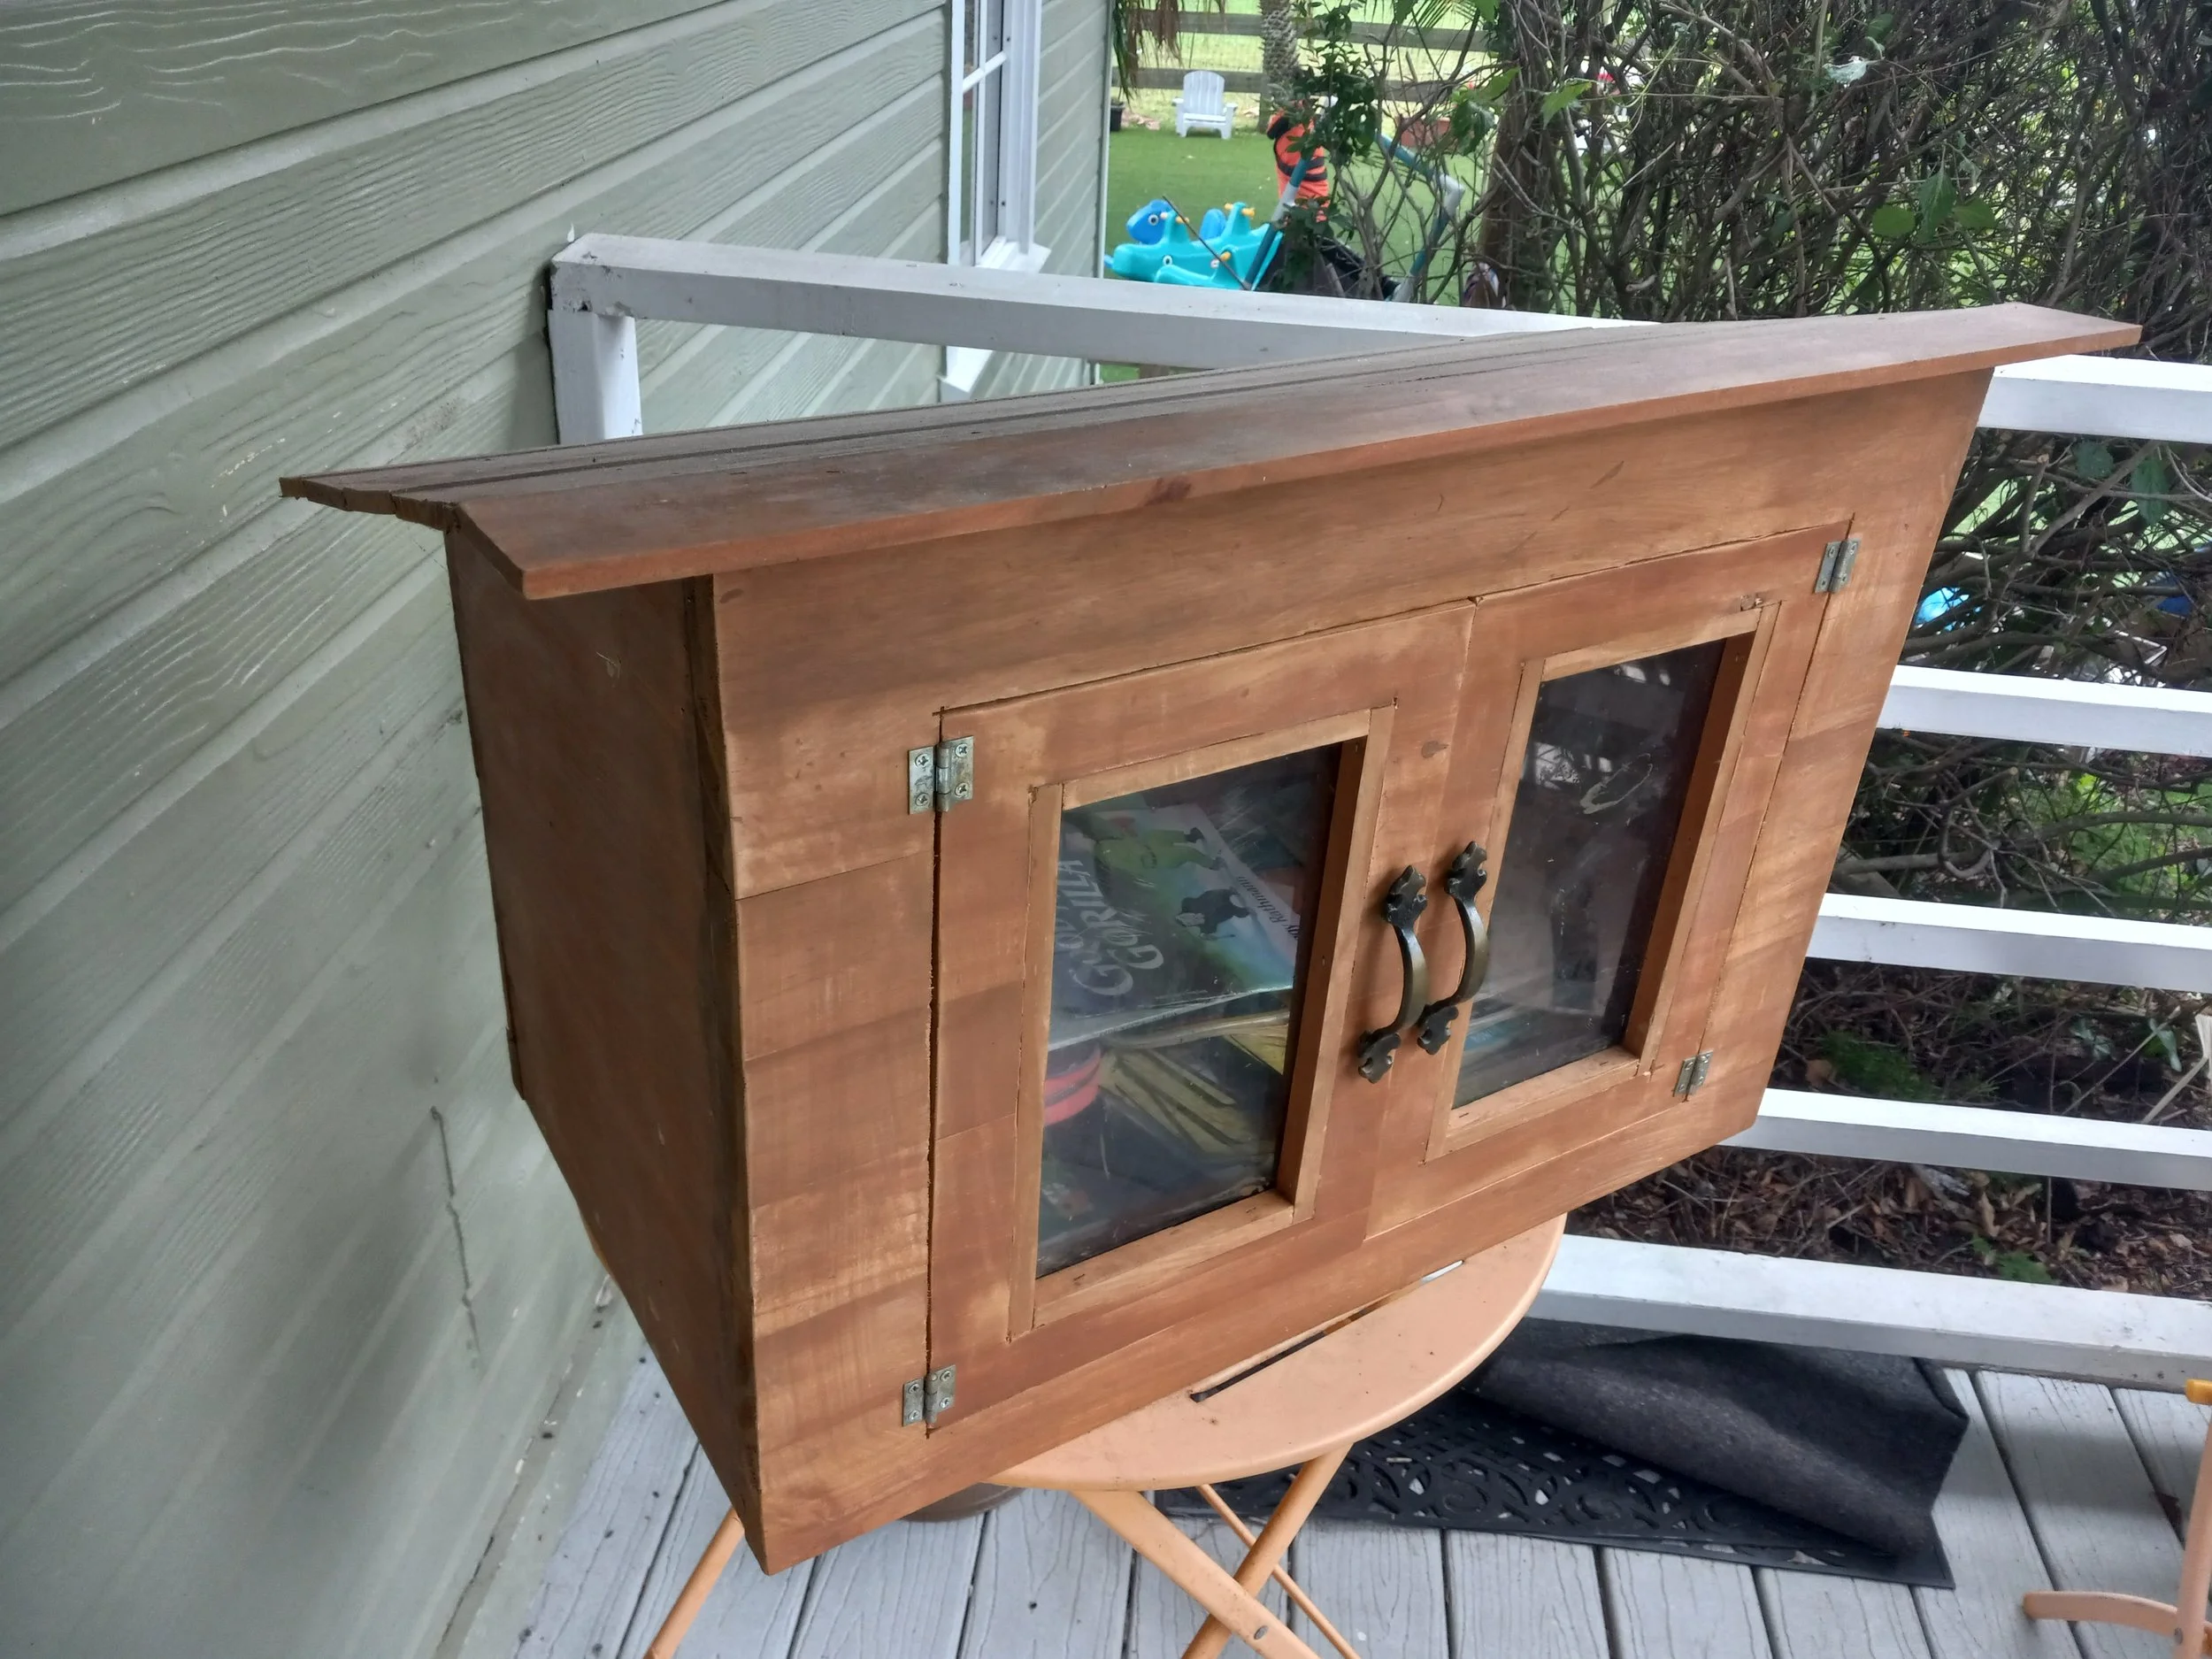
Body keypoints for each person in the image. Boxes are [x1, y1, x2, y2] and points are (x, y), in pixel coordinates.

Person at [1266, 109, 1332, 215]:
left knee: (1289, 210)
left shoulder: (1293, 108)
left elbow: (1271, 131)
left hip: (1294, 151)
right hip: (1303, 149)